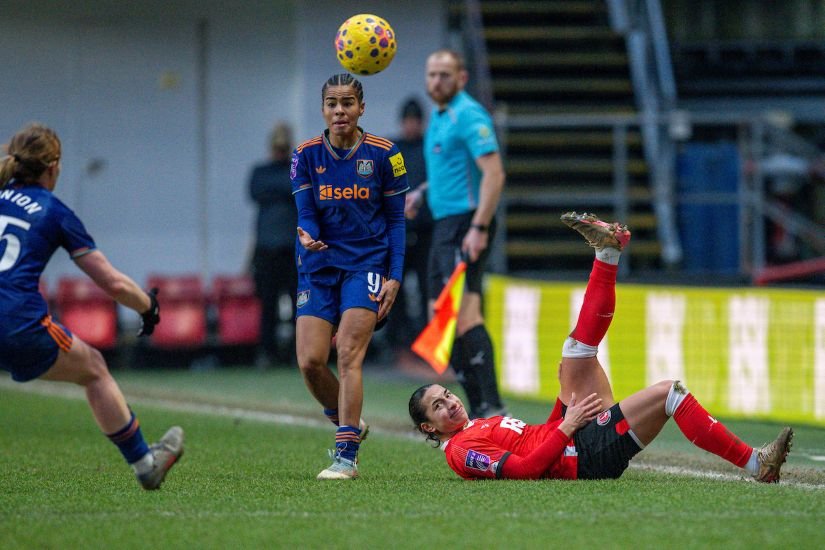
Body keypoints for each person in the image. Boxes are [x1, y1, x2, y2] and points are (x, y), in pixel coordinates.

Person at [409, 212, 794, 482]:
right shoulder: (462, 451)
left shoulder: (474, 424)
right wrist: (569, 426)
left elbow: (532, 439)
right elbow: (525, 470)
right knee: (670, 394)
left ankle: (607, 251)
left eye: (446, 395)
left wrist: (562, 412)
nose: (451, 402)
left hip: (569, 436)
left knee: (576, 350)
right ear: (428, 426)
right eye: (439, 406)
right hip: (584, 455)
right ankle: (758, 464)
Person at [0, 123, 184, 490]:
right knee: (94, 369)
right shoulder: (54, 211)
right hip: (16, 323)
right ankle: (146, 464)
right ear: (53, 167)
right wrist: (148, 306)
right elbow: (110, 281)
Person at [291, 74, 409, 480]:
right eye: (331, 103)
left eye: (347, 103)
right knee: (309, 361)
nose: (339, 110)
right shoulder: (305, 155)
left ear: (361, 107)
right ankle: (348, 423)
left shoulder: (386, 155)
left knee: (349, 355)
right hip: (318, 266)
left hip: (367, 264)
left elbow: (396, 222)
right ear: (322, 109)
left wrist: (395, 275)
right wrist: (307, 236)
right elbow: (306, 212)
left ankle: (346, 457)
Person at [406, 48, 506, 418]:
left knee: (463, 316)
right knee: (443, 315)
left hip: (466, 223)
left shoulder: (468, 115)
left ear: (462, 78)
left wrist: (479, 227)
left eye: (445, 74)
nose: (436, 81)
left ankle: (490, 408)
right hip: (445, 225)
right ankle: (481, 409)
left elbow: (494, 175)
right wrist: (423, 192)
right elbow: (452, 168)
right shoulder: (440, 116)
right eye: (432, 74)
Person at [384, 97, 431, 353]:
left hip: (425, 230)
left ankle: (425, 342)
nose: (411, 126)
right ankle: (396, 342)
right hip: (399, 231)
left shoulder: (429, 149)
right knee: (394, 287)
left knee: (427, 288)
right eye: (408, 121)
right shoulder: (392, 149)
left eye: (415, 121)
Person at [248, 122, 297, 366]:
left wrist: (279, 191)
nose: (279, 152)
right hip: (266, 249)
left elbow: (298, 190)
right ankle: (267, 353)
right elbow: (255, 192)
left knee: (299, 306)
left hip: (292, 249)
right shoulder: (260, 171)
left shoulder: (297, 169)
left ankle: (296, 353)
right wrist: (284, 191)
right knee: (268, 306)